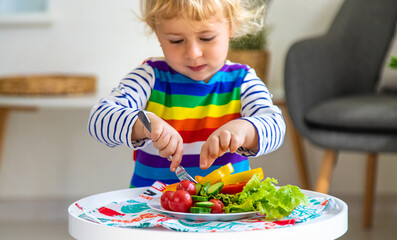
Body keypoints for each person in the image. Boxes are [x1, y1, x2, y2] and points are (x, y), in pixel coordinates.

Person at [88, 0, 285, 188]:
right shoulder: (149, 76)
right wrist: (143, 124)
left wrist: (244, 130)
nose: (193, 53)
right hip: (151, 208)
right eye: (176, 40)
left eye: (206, 38)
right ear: (158, 34)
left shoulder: (243, 80)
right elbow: (99, 118)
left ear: (231, 27)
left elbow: (275, 125)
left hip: (227, 212)